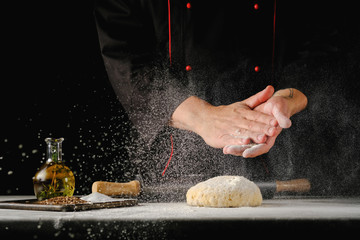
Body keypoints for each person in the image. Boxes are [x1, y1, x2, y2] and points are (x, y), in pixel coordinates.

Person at [94, 0, 309, 186]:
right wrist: (203, 116)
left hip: (279, 159)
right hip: (172, 169)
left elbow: (319, 42)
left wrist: (287, 98)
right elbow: (126, 59)